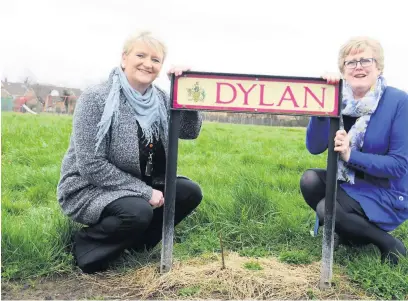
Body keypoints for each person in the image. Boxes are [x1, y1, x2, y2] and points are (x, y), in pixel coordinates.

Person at [57, 31, 203, 273]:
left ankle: (136, 245)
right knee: (138, 211)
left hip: (140, 182)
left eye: (155, 60)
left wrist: (186, 88)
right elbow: (91, 165)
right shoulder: (96, 98)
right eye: (141, 55)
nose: (148, 63)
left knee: (189, 192)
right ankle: (87, 248)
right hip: (91, 186)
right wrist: (145, 191)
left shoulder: (161, 99)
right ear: (124, 58)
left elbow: (189, 131)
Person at [300, 36, 408, 265]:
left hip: (386, 191)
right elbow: (314, 147)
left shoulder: (398, 102)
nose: (358, 66)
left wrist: (351, 155)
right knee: (309, 180)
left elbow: (399, 165)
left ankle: (388, 243)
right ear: (343, 69)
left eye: (365, 60)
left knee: (325, 208)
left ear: (378, 67)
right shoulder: (339, 99)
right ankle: (349, 234)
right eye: (351, 62)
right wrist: (323, 100)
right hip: (351, 184)